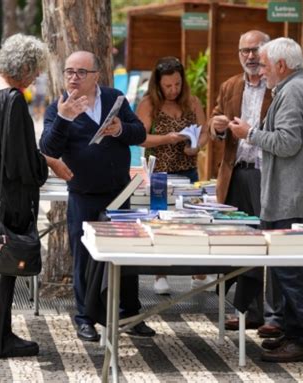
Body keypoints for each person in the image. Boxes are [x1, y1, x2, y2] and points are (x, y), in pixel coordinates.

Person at [229, 37, 303, 362]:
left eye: (263, 64)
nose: (260, 71)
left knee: (294, 274)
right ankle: (292, 334)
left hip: (295, 201)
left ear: (280, 65)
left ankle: (302, 340)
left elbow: (288, 143)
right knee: (292, 271)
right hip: (298, 198)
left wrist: (249, 133)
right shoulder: (301, 87)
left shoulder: (292, 91)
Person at [40, 50, 155, 342]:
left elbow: (139, 133)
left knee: (126, 255)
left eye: (81, 72)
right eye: (69, 72)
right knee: (84, 256)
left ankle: (130, 314)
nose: (73, 78)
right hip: (83, 193)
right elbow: (49, 148)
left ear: (96, 77)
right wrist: (65, 119)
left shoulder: (114, 98)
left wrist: (120, 130)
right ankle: (85, 318)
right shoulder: (59, 107)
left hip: (118, 193)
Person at [0, 34, 73, 359]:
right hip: (10, 194)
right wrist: (46, 165)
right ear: (24, 67)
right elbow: (19, 160)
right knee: (8, 263)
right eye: (35, 71)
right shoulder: (12, 98)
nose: (35, 78)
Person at [209, 30, 283, 339]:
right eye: (244, 51)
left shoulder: (278, 87)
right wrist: (217, 127)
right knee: (241, 243)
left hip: (269, 175)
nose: (250, 56)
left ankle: (275, 316)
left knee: (273, 244)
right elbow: (214, 122)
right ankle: (247, 311)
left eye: (255, 50)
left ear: (266, 52)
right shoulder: (230, 85)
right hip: (236, 174)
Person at [136, 56, 212, 295]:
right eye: (168, 86)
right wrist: (167, 138)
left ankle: (197, 273)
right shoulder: (149, 104)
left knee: (192, 221)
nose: (173, 90)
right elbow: (140, 137)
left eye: (177, 84)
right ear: (158, 85)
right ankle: (160, 273)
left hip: (187, 171)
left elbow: (204, 131)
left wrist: (196, 146)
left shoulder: (192, 102)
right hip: (159, 172)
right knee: (160, 222)